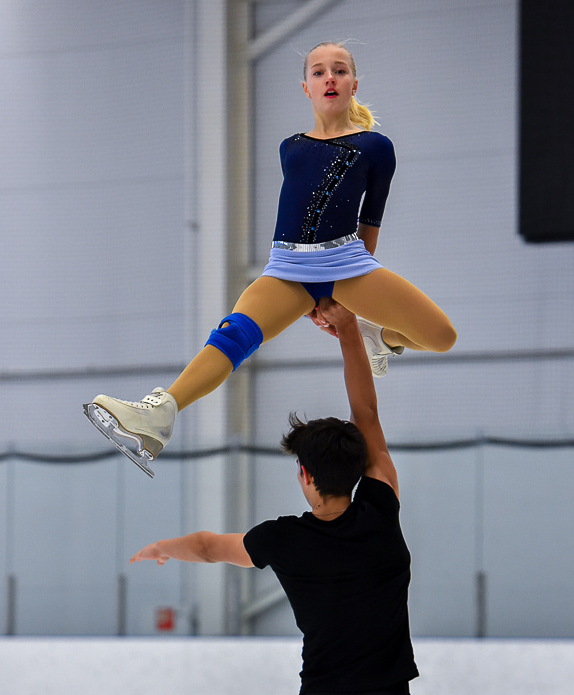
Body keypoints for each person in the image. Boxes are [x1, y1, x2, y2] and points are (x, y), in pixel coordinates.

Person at [131, 298, 432, 695]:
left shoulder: (285, 540)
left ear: (305, 477)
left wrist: (165, 547)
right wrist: (349, 329)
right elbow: (366, 412)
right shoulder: (380, 509)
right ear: (357, 470)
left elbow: (209, 547)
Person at [86, 40, 456, 471]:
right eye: (319, 72)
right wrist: (307, 290)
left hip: (347, 263)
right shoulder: (291, 147)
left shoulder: (376, 146)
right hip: (287, 267)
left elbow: (369, 222)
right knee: (232, 335)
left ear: (354, 84)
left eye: (340, 70)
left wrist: (355, 297)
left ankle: (381, 339)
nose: (330, 78)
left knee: (441, 336)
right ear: (306, 88)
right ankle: (159, 415)